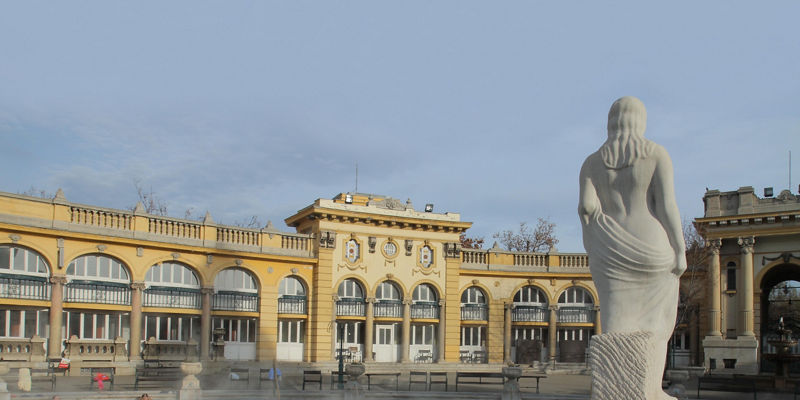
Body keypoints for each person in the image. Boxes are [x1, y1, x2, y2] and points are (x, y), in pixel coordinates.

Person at [578, 96, 686, 397]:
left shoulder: (591, 162)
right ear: (640, 121)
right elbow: (666, 206)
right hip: (652, 245)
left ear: (611, 121)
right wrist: (680, 248)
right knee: (655, 327)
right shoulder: (655, 154)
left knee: (615, 327)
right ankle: (648, 390)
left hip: (610, 248)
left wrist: (597, 242)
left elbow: (586, 208)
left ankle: (615, 392)